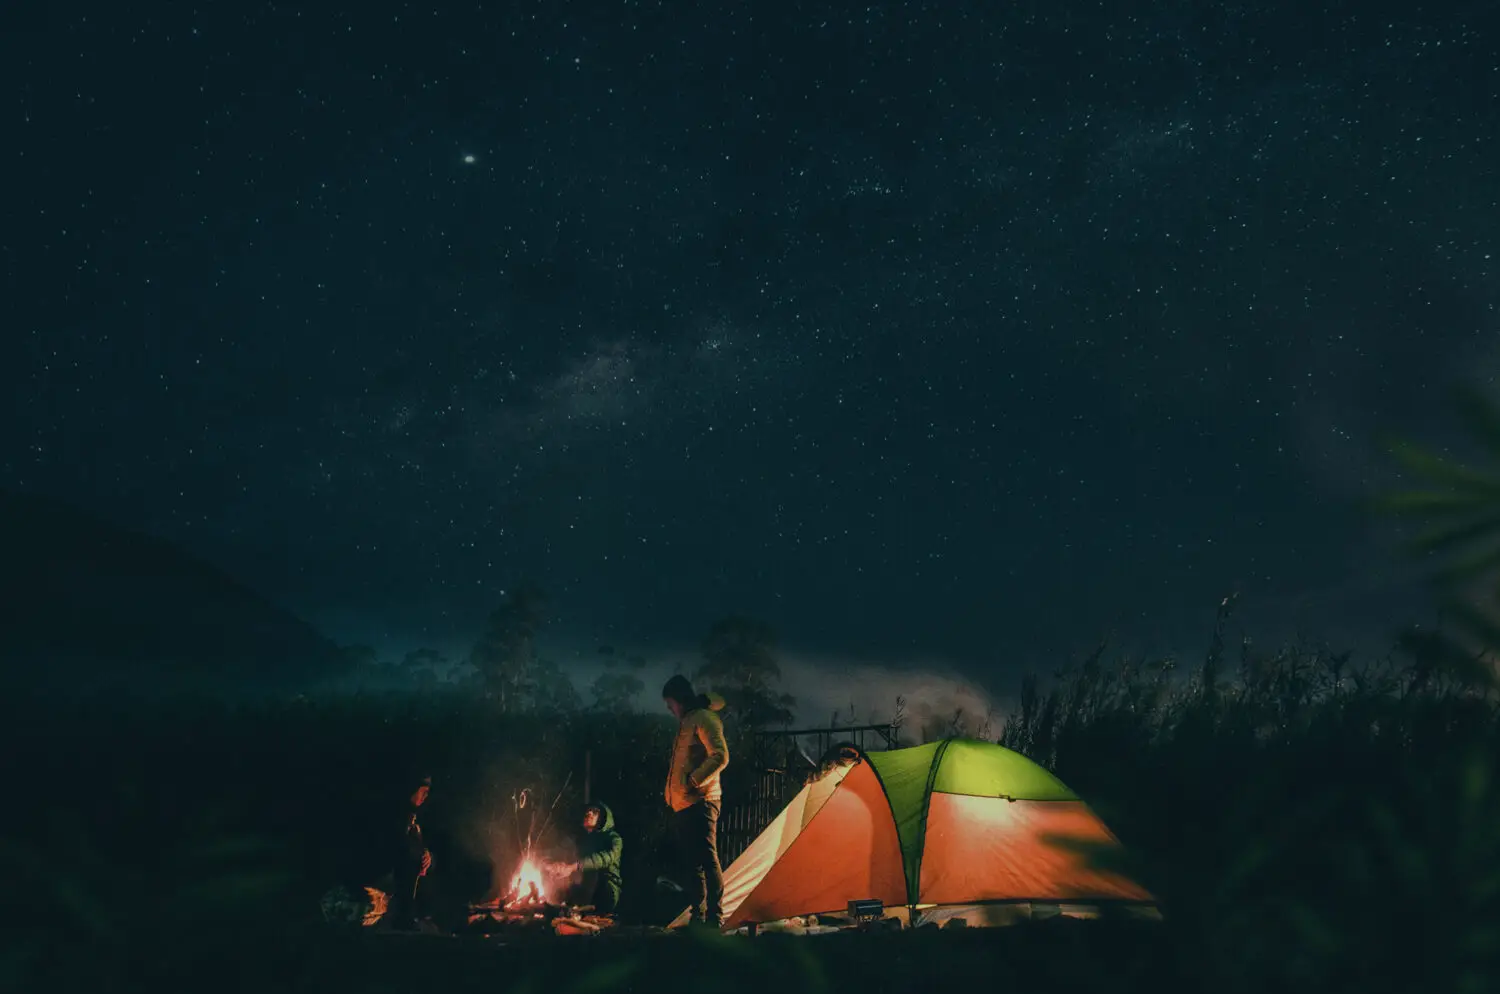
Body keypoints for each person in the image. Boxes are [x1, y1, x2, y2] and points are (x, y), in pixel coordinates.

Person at [661, 674, 729, 927]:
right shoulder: (689, 721)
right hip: (685, 803)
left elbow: (720, 755)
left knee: (706, 859)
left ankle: (714, 917)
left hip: (702, 801)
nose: (670, 710)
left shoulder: (704, 718)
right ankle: (698, 917)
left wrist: (693, 781)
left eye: (671, 704)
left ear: (680, 699)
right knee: (693, 864)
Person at [545, 802, 624, 915]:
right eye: (588, 811)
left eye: (595, 812)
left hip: (607, 892)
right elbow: (562, 849)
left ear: (603, 818)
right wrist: (548, 863)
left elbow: (602, 859)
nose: (589, 813)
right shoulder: (583, 838)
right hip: (586, 891)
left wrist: (573, 867)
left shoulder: (614, 839)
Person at [385, 773, 434, 927]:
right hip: (390, 892)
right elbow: (397, 851)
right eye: (423, 791)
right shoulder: (396, 818)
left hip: (413, 898)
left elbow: (419, 848)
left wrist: (427, 856)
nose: (425, 796)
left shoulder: (415, 819)